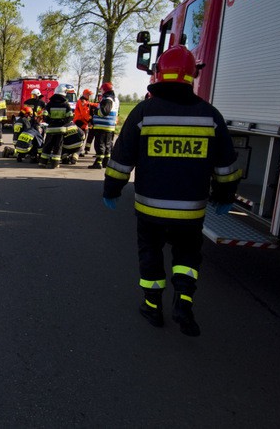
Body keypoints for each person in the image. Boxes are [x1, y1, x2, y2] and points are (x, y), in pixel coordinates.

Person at [101, 45, 241, 337]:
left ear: (159, 74)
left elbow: (121, 158)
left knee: (150, 255)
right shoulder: (209, 116)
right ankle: (184, 304)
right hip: (191, 212)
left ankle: (152, 308)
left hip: (150, 210)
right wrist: (225, 196)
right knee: (187, 258)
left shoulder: (144, 112)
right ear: (192, 75)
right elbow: (226, 165)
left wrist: (112, 189)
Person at [39, 84, 73, 169]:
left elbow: (45, 116)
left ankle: (43, 163)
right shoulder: (66, 104)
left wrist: (51, 121)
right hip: (61, 129)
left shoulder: (50, 103)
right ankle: (55, 163)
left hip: (51, 128)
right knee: (58, 146)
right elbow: (70, 116)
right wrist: (63, 122)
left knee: (47, 145)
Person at [89, 82, 118, 169]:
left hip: (102, 126)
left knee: (100, 144)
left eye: (101, 90)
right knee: (107, 144)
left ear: (104, 90)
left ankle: (98, 163)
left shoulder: (107, 99)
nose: (100, 91)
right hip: (109, 126)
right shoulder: (114, 99)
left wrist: (95, 112)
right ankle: (106, 162)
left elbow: (104, 112)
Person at [73, 89, 93, 157]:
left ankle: (78, 151)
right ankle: (77, 151)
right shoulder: (82, 101)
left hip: (83, 123)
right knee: (80, 138)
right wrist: (89, 121)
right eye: (88, 95)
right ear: (85, 94)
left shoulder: (85, 101)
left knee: (81, 138)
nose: (89, 96)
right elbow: (84, 113)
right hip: (80, 122)